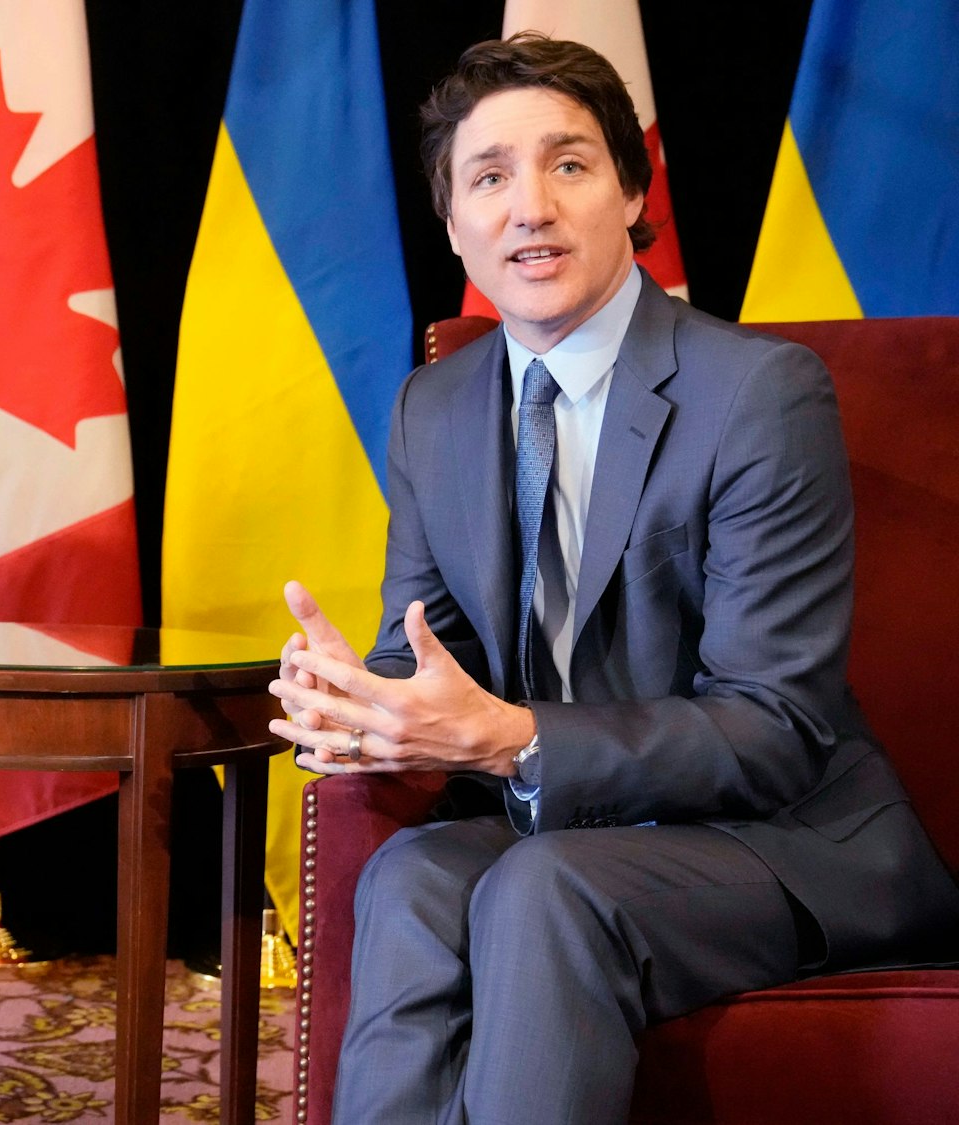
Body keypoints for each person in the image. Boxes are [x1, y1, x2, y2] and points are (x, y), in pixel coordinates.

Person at [267, 33, 959, 1125]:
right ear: (453, 223)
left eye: (569, 164)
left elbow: (774, 725)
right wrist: (361, 701)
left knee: (546, 894)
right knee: (410, 879)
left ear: (632, 192)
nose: (528, 207)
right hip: (561, 827)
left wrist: (506, 739)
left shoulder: (758, 395)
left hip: (776, 836)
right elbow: (421, 649)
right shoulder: (432, 408)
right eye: (486, 177)